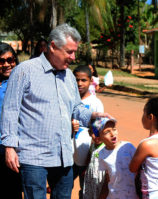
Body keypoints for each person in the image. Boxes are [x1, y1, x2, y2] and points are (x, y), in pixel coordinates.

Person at [0, 24, 108, 199]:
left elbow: (77, 109)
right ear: (53, 47)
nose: (73, 57)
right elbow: (10, 110)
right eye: (69, 52)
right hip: (33, 157)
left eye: (75, 52)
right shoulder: (24, 71)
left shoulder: (69, 77)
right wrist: (9, 147)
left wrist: (94, 117)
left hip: (64, 156)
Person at [72, 65, 105, 198]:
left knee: (85, 190)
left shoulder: (96, 103)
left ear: (91, 81)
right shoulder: (68, 100)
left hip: (86, 156)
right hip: (68, 155)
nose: (79, 83)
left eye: (83, 80)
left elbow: (98, 133)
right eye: (76, 80)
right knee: (63, 186)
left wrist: (90, 158)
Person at [91, 117, 138, 199]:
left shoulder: (128, 147)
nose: (112, 134)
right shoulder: (101, 154)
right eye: (107, 132)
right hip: (114, 196)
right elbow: (107, 178)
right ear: (99, 138)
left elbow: (140, 170)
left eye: (114, 129)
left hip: (133, 196)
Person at [0, 42, 22, 199]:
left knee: (12, 190)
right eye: (1, 61)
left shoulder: (21, 82)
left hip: (13, 148)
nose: (7, 64)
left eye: (11, 60)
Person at [82, 125, 106, 199]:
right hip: (90, 178)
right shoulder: (92, 145)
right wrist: (85, 169)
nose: (97, 136)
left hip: (100, 180)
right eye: (94, 133)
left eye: (99, 133)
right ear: (89, 133)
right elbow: (89, 156)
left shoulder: (106, 147)